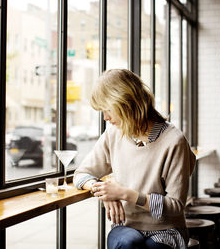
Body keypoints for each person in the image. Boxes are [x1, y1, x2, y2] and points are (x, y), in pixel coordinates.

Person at [73, 69, 196, 249]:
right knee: (127, 242)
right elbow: (82, 174)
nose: (106, 117)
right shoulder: (113, 134)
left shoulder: (174, 141)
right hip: (127, 226)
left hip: (166, 229)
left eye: (108, 109)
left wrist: (125, 194)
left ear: (126, 103)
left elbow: (176, 206)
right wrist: (104, 192)